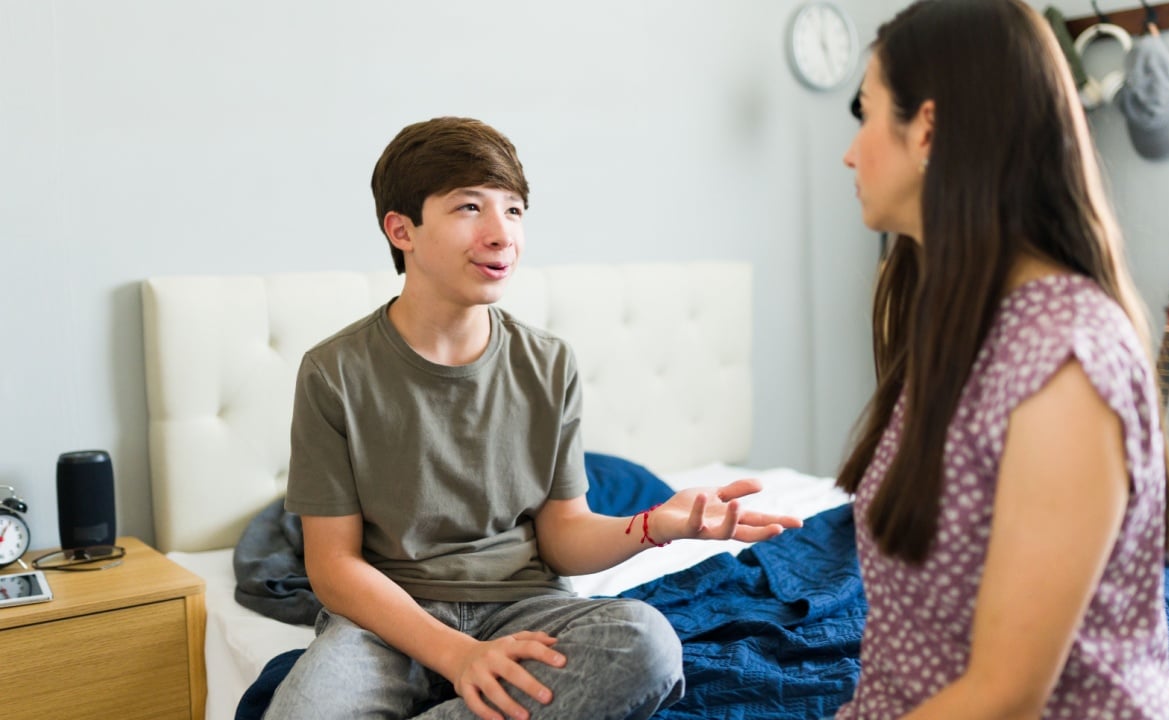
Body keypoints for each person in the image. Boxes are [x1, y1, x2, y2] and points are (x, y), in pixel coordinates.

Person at [263, 116, 802, 720]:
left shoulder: (549, 363)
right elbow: (333, 567)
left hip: (526, 607)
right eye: (470, 207)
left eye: (514, 210)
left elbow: (562, 536)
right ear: (401, 229)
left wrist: (655, 525)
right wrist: (459, 655)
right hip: (389, 620)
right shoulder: (333, 371)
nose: (502, 235)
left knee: (646, 645)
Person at [832, 1, 1169, 718]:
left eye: (865, 115)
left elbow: (1002, 698)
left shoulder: (1066, 360)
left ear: (927, 129)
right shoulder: (963, 319)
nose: (850, 151)